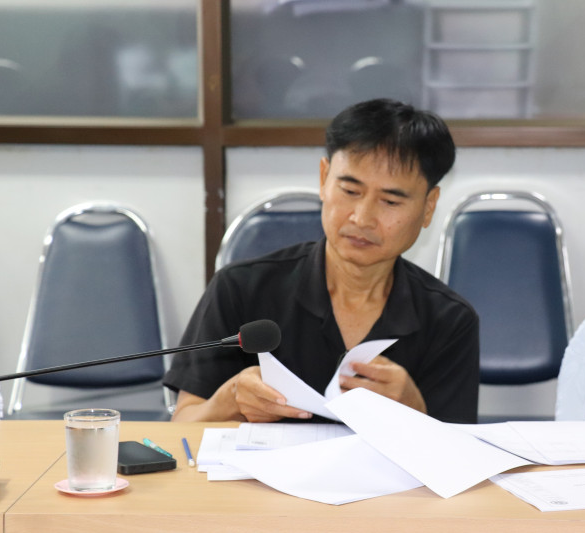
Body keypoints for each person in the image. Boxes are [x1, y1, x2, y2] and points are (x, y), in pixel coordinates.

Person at [164, 98, 479, 424]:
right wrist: (230, 400)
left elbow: (461, 449)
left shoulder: (449, 320)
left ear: (429, 207)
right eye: (350, 191)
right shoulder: (239, 289)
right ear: (324, 178)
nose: (362, 218)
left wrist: (415, 410)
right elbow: (182, 425)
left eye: (390, 201)